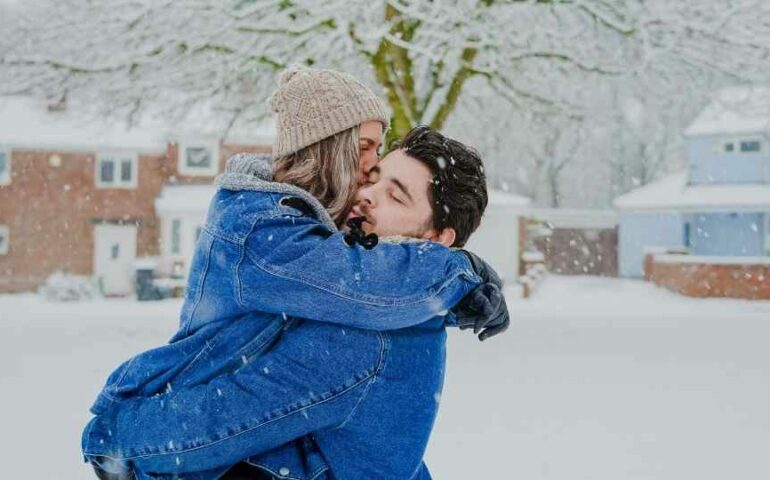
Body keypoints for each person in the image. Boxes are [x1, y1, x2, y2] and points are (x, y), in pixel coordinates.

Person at [82, 69, 507, 479]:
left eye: (394, 195)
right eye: (371, 169)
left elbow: (231, 414)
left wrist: (117, 436)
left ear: (437, 239)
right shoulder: (280, 239)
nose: (366, 192)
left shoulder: (371, 330)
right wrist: (463, 274)